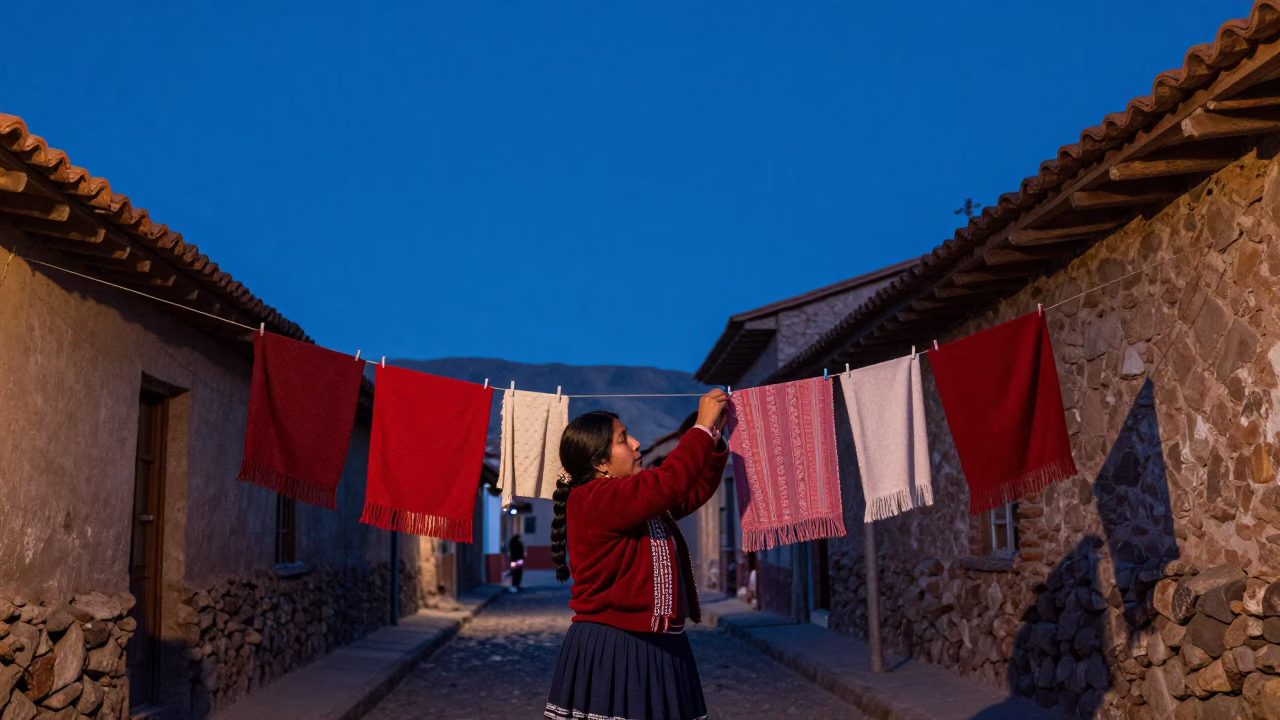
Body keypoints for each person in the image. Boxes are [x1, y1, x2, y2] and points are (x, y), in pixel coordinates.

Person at [545, 389, 729, 720]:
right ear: (599, 463)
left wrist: (712, 442)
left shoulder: (635, 500)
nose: (636, 443)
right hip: (617, 647)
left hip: (660, 645)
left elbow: (685, 493)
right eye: (623, 438)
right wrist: (698, 429)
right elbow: (669, 483)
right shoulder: (595, 499)